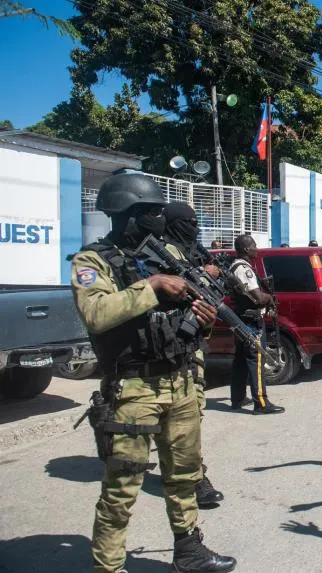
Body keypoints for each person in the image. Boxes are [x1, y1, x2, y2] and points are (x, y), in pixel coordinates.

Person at [71, 173, 235, 573]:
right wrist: (154, 285)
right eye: (151, 212)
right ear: (126, 213)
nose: (160, 220)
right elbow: (96, 313)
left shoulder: (168, 255)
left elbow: (186, 318)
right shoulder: (92, 261)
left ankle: (189, 551)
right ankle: (108, 567)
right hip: (132, 390)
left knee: (184, 476)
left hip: (180, 380)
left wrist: (203, 322)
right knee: (121, 489)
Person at [162, 202, 225, 509]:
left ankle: (192, 473)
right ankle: (191, 476)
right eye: (190, 222)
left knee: (192, 414)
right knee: (177, 419)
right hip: (164, 347)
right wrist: (203, 275)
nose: (195, 228)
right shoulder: (162, 252)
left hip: (190, 346)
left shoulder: (190, 252)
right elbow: (174, 287)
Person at [228, 234, 285, 415]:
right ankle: (261, 403)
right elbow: (258, 297)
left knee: (241, 360)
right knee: (257, 360)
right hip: (250, 321)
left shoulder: (236, 266)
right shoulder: (244, 269)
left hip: (241, 320)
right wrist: (270, 298)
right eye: (254, 245)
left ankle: (238, 398)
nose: (256, 249)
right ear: (246, 249)